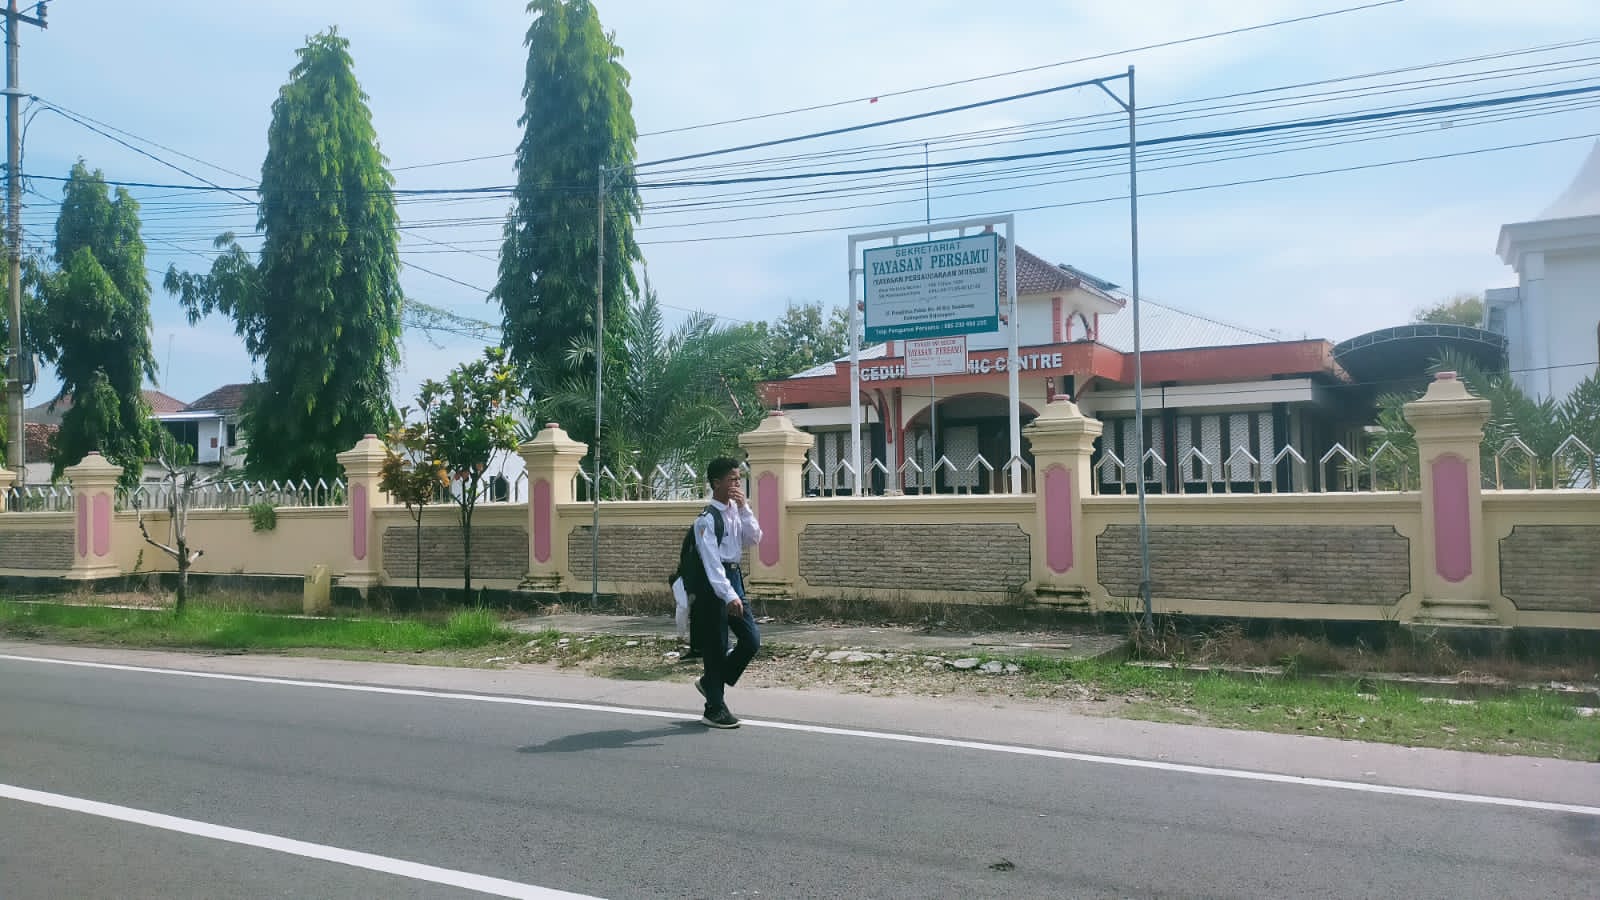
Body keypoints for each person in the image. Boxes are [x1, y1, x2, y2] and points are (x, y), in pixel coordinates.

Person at [689, 456, 762, 729]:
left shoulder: (735, 511)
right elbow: (711, 562)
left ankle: (711, 682)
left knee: (751, 639)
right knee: (716, 646)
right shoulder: (706, 520)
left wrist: (745, 509)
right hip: (714, 584)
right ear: (716, 483)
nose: (737, 483)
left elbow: (754, 538)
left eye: (738, 478)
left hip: (734, 576)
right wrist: (728, 594)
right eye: (732, 479)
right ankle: (714, 708)